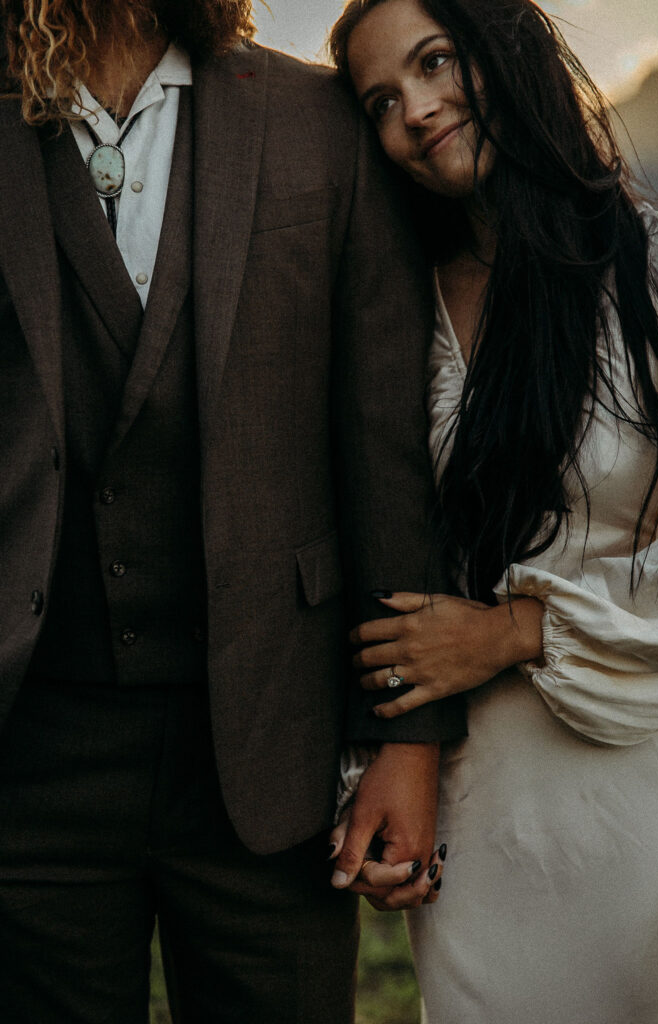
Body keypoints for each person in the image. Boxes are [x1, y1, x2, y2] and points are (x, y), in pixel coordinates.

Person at [0, 1, 466, 1020]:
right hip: (27, 754)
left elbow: (381, 451)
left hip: (270, 748)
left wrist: (406, 737)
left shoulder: (313, 119)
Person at [328, 0, 658, 1021]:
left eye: (436, 62)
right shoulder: (400, 315)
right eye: (381, 100)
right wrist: (376, 775)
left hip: (650, 791)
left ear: (505, 48)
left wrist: (514, 628)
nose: (417, 110)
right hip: (480, 829)